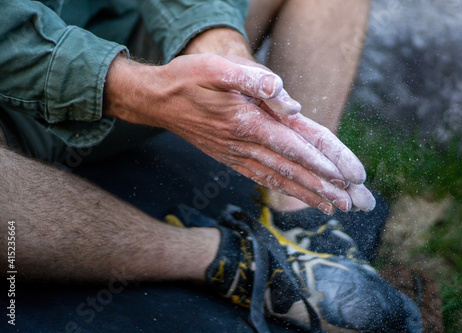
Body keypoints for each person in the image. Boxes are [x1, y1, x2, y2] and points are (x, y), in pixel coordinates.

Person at [0, 0, 421, 331]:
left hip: (117, 50)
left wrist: (222, 54)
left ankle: (300, 215)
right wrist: (136, 89)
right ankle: (237, 260)